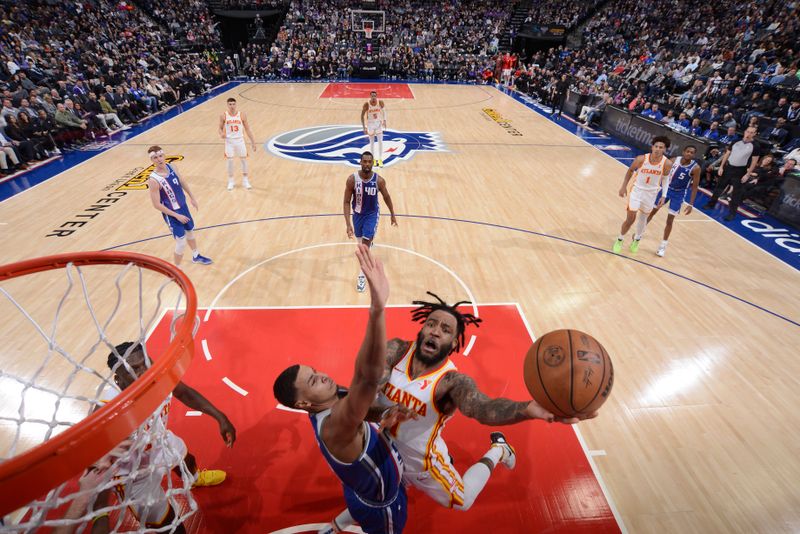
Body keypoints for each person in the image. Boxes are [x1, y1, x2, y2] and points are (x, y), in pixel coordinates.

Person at [332, 293, 595, 522]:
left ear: (454, 342)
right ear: (422, 328)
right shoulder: (396, 350)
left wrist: (527, 409)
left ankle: (499, 450)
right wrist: (384, 413)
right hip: (387, 448)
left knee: (463, 500)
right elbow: (361, 400)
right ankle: (337, 525)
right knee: (374, 488)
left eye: (445, 330)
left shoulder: (452, 382)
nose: (435, 330)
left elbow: (483, 408)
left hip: (422, 463)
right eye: (431, 323)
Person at [272, 244, 407, 534]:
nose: (322, 376)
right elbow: (367, 378)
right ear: (304, 404)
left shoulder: (333, 403)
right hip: (382, 508)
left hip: (360, 491)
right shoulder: (337, 425)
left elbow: (362, 386)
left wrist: (384, 414)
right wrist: (377, 309)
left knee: (357, 497)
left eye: (315, 371)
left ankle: (336, 526)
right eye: (312, 381)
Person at [96, 341, 236, 531]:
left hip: (158, 440)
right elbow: (93, 458)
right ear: (118, 380)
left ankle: (194, 479)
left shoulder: (157, 377)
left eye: (144, 364)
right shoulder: (105, 409)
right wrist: (100, 509)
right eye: (134, 370)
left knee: (186, 458)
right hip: (132, 472)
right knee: (170, 526)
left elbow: (185, 393)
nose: (143, 372)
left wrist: (220, 416)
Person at [146, 145, 213, 265]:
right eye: (155, 157)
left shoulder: (172, 167)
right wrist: (176, 216)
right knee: (181, 242)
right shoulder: (153, 180)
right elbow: (156, 205)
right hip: (172, 213)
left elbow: (182, 181)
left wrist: (192, 197)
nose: (159, 159)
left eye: (160, 156)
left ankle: (196, 255)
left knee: (190, 231)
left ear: (164, 155)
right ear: (152, 160)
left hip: (183, 207)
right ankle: (177, 269)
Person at [343, 151, 397, 292]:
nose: (367, 164)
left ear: (373, 163)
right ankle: (368, 241)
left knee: (364, 249)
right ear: (360, 162)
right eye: (364, 161)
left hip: (372, 215)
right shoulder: (352, 180)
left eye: (369, 162)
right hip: (357, 215)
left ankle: (362, 276)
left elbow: (387, 197)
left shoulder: (379, 181)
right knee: (361, 243)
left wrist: (392, 213)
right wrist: (348, 224)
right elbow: (346, 201)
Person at [613, 136, 673, 253]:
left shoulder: (667, 163)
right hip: (637, 191)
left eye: (661, 147)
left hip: (651, 194)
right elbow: (630, 170)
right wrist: (623, 186)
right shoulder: (641, 159)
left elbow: (665, 180)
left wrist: (664, 195)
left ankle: (637, 239)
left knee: (643, 220)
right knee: (630, 218)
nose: (657, 149)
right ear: (652, 147)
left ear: (665, 149)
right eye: (656, 146)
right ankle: (620, 239)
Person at [647, 145, 701, 257]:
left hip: (679, 194)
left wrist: (691, 204)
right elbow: (662, 173)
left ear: (694, 155)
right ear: (683, 151)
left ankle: (663, 246)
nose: (689, 154)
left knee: (670, 220)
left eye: (692, 153)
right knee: (652, 211)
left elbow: (695, 187)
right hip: (666, 190)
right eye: (688, 151)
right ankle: (640, 232)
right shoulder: (673, 160)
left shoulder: (695, 168)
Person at [702, 126, 762, 221]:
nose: (748, 134)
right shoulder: (735, 141)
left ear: (754, 134)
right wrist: (721, 167)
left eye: (751, 132)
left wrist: (747, 174)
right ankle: (711, 204)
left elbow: (754, 161)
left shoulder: (756, 146)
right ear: (745, 131)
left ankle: (732, 213)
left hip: (740, 171)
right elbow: (727, 154)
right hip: (728, 168)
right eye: (748, 131)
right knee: (719, 188)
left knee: (736, 194)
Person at [218, 97, 257, 190]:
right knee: (230, 161)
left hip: (240, 140)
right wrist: (221, 134)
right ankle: (231, 181)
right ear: (227, 105)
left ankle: (245, 180)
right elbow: (219, 128)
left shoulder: (242, 115)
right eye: (230, 104)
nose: (232, 106)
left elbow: (247, 129)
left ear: (236, 104)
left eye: (233, 104)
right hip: (229, 141)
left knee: (243, 160)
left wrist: (253, 142)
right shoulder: (223, 115)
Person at [361, 91, 386, 167]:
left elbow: (384, 112)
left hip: (378, 124)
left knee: (380, 142)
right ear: (370, 96)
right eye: (372, 96)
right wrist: (364, 127)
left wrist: (384, 120)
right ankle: (374, 160)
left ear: (376, 96)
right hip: (370, 124)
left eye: (375, 96)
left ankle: (380, 159)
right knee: (372, 143)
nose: (374, 97)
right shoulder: (367, 104)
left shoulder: (380, 102)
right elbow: (362, 116)